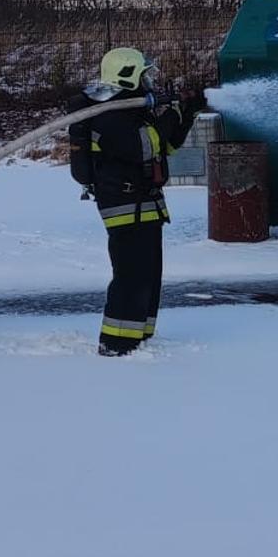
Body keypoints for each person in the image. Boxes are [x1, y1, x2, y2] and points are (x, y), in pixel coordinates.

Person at [67, 47, 202, 357]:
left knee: (149, 273)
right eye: (144, 74)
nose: (148, 80)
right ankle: (116, 342)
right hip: (125, 204)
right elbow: (143, 145)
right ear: (127, 76)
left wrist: (188, 113)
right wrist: (172, 114)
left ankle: (138, 333)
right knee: (131, 274)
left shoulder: (130, 109)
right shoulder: (109, 113)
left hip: (145, 202)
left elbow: (163, 146)